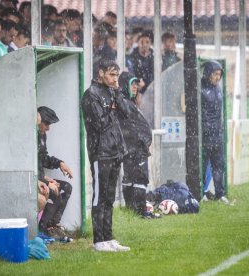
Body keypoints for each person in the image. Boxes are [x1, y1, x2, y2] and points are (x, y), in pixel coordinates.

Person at [81, 59, 131, 252]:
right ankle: (98, 240)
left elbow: (127, 113)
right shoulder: (90, 95)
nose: (115, 78)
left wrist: (118, 93)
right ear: (100, 73)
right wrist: (111, 109)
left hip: (115, 151)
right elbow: (100, 123)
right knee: (99, 197)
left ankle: (108, 238)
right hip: (100, 153)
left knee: (110, 197)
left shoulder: (112, 91)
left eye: (117, 75)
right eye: (111, 74)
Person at [117, 72, 159, 219]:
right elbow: (131, 128)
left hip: (133, 149)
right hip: (135, 149)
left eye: (136, 84)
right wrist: (142, 142)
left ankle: (132, 211)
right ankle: (140, 212)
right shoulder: (123, 101)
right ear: (125, 85)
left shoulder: (126, 101)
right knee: (139, 178)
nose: (135, 87)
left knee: (131, 178)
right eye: (132, 84)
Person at [37, 106, 73, 241]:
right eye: (46, 124)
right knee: (54, 191)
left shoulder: (42, 135)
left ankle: (53, 226)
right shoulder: (29, 136)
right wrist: (45, 181)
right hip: (33, 180)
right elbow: (28, 166)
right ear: (38, 120)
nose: (48, 128)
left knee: (66, 188)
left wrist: (60, 163)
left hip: (41, 177)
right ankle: (42, 229)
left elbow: (44, 159)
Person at [200, 60, 229, 204]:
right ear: (207, 73)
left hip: (217, 134)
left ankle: (220, 194)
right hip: (205, 136)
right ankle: (201, 193)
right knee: (203, 165)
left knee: (219, 165)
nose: (217, 77)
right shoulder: (199, 88)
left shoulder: (218, 88)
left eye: (219, 74)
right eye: (215, 74)